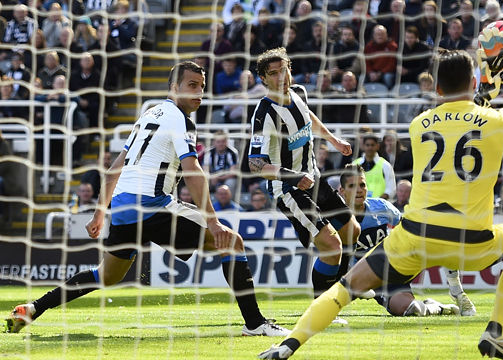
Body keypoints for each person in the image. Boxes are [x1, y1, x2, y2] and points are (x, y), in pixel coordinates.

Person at [259, 49, 503, 360]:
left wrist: (480, 99)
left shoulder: (419, 124)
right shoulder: (495, 120)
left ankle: (288, 346)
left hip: (414, 236)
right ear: (473, 81)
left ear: (436, 89)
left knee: (345, 288)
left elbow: (459, 125)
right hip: (472, 240)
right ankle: (498, 332)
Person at [6, 61, 290, 337]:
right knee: (232, 241)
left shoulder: (148, 115)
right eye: (191, 85)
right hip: (152, 205)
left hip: (123, 208)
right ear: (173, 87)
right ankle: (255, 324)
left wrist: (100, 212)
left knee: (107, 276)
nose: (198, 92)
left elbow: (114, 168)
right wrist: (213, 221)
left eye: (202, 86)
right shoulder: (180, 120)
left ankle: (32, 308)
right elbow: (193, 170)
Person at [248, 47, 361, 299]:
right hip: (288, 189)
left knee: (352, 230)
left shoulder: (299, 92)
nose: (281, 78)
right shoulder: (264, 114)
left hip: (313, 178)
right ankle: (324, 305)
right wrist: (293, 177)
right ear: (264, 78)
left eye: (284, 70)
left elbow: (307, 115)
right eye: (273, 73)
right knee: (332, 245)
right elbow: (255, 164)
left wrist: (333, 140)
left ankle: (338, 291)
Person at [337, 164, 466, 317]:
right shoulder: (335, 219)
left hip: (390, 269)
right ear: (342, 191)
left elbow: (407, 228)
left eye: (362, 185)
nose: (359, 190)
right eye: (352, 186)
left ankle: (440, 304)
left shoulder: (381, 207)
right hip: (357, 275)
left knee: (409, 309)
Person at [352, 133, 396, 200]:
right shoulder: (355, 164)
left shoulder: (385, 165)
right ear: (363, 146)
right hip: (359, 205)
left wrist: (378, 202)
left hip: (380, 207)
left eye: (372, 145)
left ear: (378, 146)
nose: (370, 148)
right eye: (367, 145)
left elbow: (391, 189)